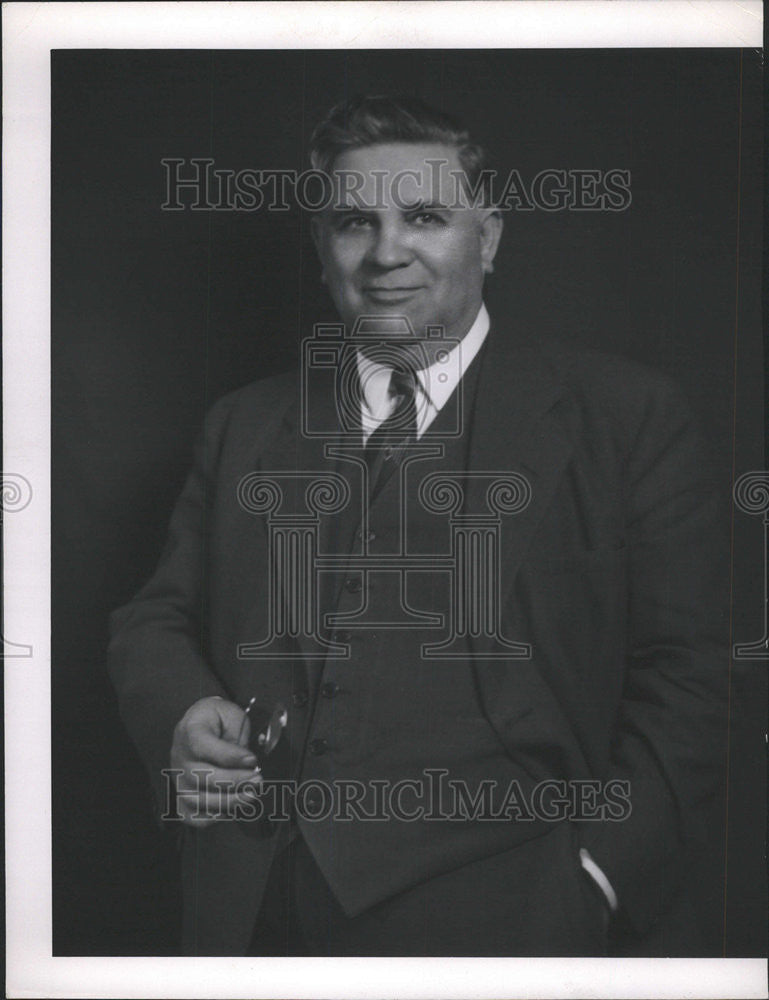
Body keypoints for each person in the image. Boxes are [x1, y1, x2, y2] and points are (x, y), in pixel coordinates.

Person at [108, 95, 725, 957]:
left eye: (424, 217)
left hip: (520, 919)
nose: (387, 252)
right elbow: (155, 616)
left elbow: (695, 676)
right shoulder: (243, 423)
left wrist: (596, 876)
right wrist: (178, 710)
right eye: (355, 222)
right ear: (321, 246)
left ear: (490, 236)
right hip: (254, 915)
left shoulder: (626, 417)